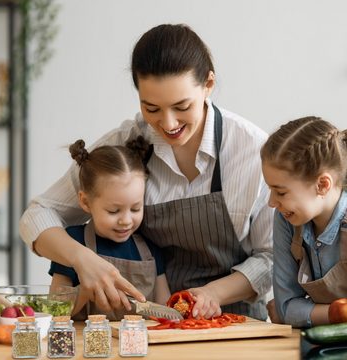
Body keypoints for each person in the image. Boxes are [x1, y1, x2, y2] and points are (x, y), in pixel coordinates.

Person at [20, 23, 273, 320]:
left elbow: (272, 257)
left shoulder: (252, 150)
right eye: (151, 108)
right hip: (150, 328)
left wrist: (213, 293)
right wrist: (82, 259)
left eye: (182, 106)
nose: (167, 124)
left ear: (208, 84)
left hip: (239, 327)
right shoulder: (126, 142)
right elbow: (37, 215)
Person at [49, 137, 170, 320]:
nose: (126, 221)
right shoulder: (73, 242)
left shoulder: (150, 247)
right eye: (114, 211)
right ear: (85, 201)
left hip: (141, 346)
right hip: (86, 345)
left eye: (136, 208)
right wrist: (85, 290)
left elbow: (164, 306)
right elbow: (55, 311)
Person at [261, 116, 347, 328]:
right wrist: (335, 313)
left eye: (280, 192)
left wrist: (307, 313)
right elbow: (285, 308)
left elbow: (289, 313)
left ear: (322, 184)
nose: (272, 202)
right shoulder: (286, 218)